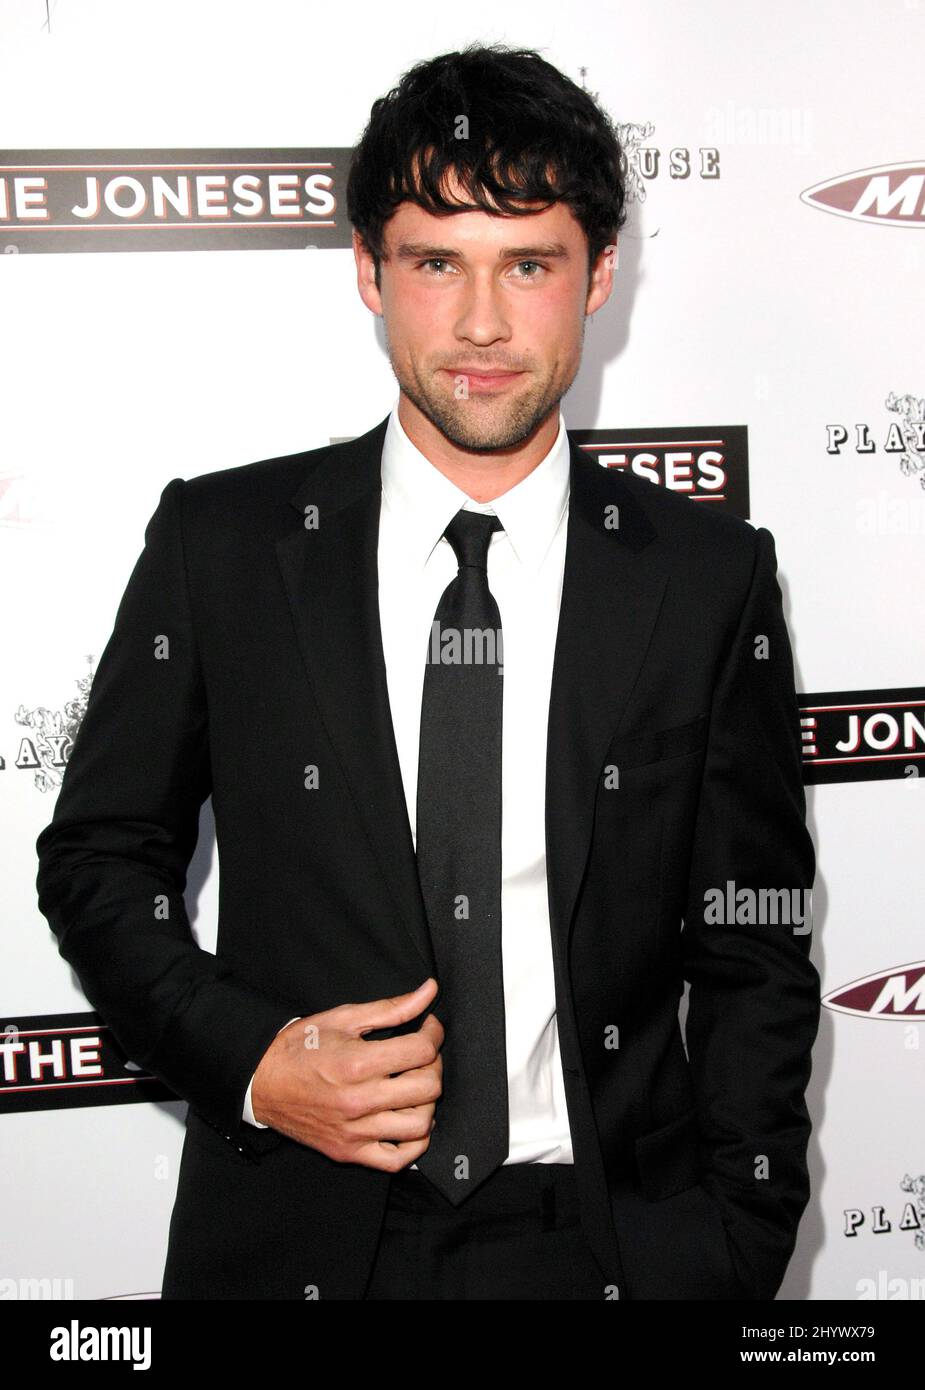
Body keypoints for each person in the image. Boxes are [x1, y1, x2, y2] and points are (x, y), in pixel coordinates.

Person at [35, 42, 820, 1301]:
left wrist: (732, 1243)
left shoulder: (707, 577)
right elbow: (98, 858)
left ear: (599, 275)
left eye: (529, 263)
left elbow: (755, 939)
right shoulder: (225, 546)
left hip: (612, 1244)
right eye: (435, 262)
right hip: (300, 1230)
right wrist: (255, 1060)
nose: (482, 325)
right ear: (368, 272)